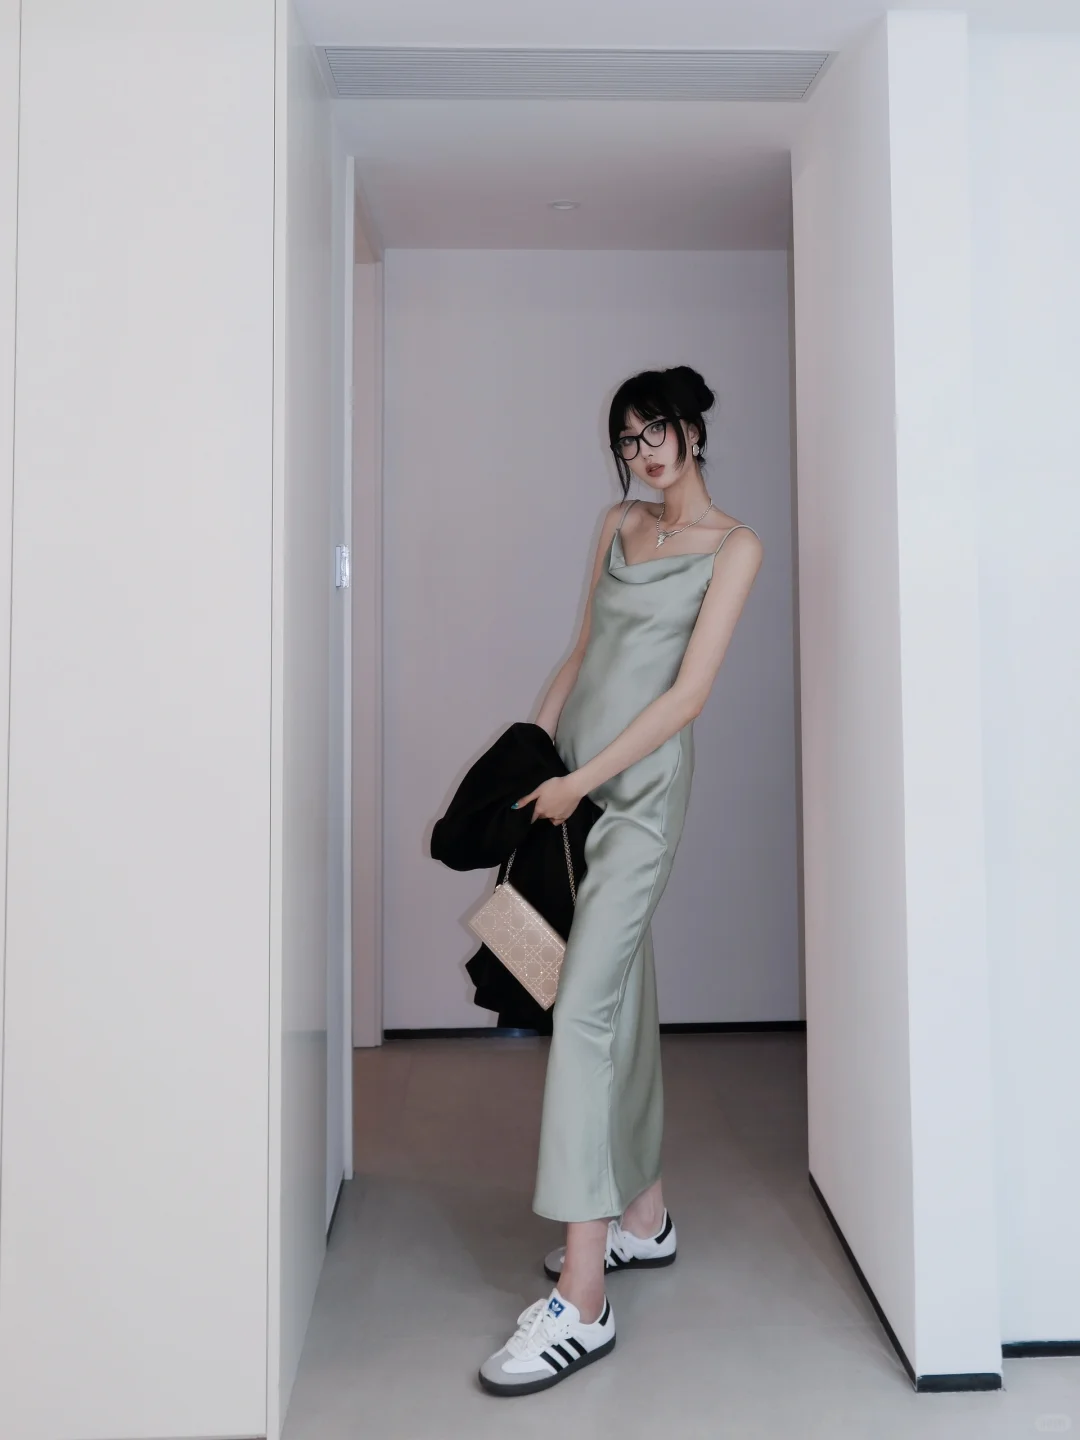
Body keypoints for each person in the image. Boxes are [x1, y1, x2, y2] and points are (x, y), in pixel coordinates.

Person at [478, 365, 763, 1397]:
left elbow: (686, 698)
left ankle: (584, 1296)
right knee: (617, 995)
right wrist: (533, 756)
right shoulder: (615, 524)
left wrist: (585, 780)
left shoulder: (734, 547)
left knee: (584, 1015)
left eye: (657, 433)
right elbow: (585, 651)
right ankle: (643, 1215)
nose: (644, 455)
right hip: (568, 790)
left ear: (693, 430)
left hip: (637, 802)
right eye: (628, 441)